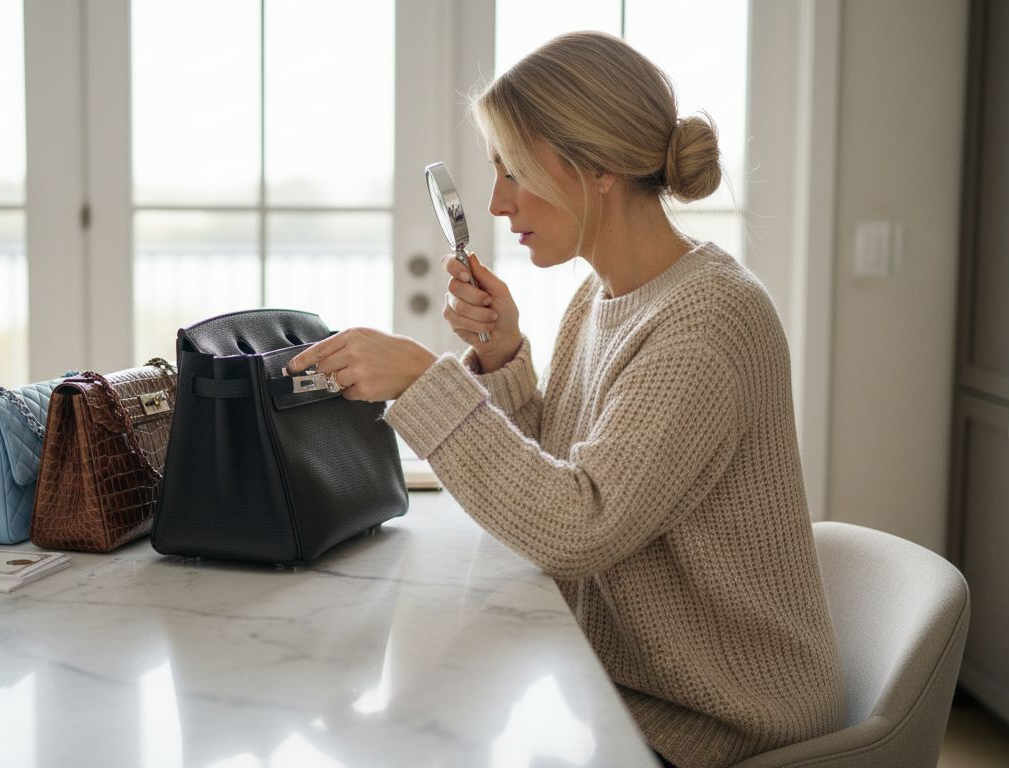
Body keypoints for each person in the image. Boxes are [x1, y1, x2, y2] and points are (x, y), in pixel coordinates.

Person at [287, 31, 845, 768]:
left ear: (600, 168)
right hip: (622, 692)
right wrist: (503, 356)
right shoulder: (602, 296)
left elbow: (581, 528)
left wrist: (427, 381)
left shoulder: (711, 322)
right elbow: (558, 479)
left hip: (717, 726)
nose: (495, 201)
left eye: (511, 168)